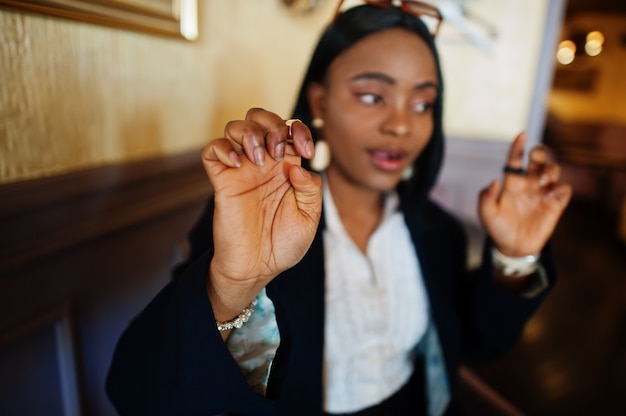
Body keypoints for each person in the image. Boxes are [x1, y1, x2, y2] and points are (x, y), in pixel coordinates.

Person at [106, 2, 572, 415]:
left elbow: (481, 342)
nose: (400, 126)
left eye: (423, 103)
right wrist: (236, 284)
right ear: (320, 100)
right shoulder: (260, 226)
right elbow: (140, 396)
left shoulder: (438, 233)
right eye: (372, 96)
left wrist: (516, 255)